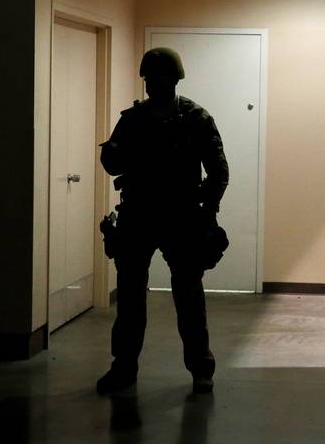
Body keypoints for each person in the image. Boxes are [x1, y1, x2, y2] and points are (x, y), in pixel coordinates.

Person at [96, 47, 229, 396]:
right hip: (139, 214)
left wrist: (206, 210)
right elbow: (112, 163)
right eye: (150, 79)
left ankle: (201, 369)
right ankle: (123, 367)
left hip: (181, 216)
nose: (154, 85)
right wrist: (111, 153)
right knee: (129, 298)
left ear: (174, 80)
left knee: (188, 295)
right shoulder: (133, 119)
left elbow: (218, 171)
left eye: (160, 79)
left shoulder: (195, 118)